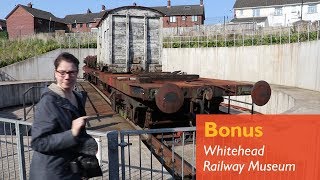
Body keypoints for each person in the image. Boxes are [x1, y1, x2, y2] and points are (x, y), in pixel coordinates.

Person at [29, 52, 96, 180]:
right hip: (51, 173)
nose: (67, 77)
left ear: (77, 73)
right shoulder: (48, 102)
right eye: (62, 72)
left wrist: (86, 142)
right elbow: (38, 142)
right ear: (55, 73)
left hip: (70, 170)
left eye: (72, 72)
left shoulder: (77, 96)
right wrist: (72, 133)